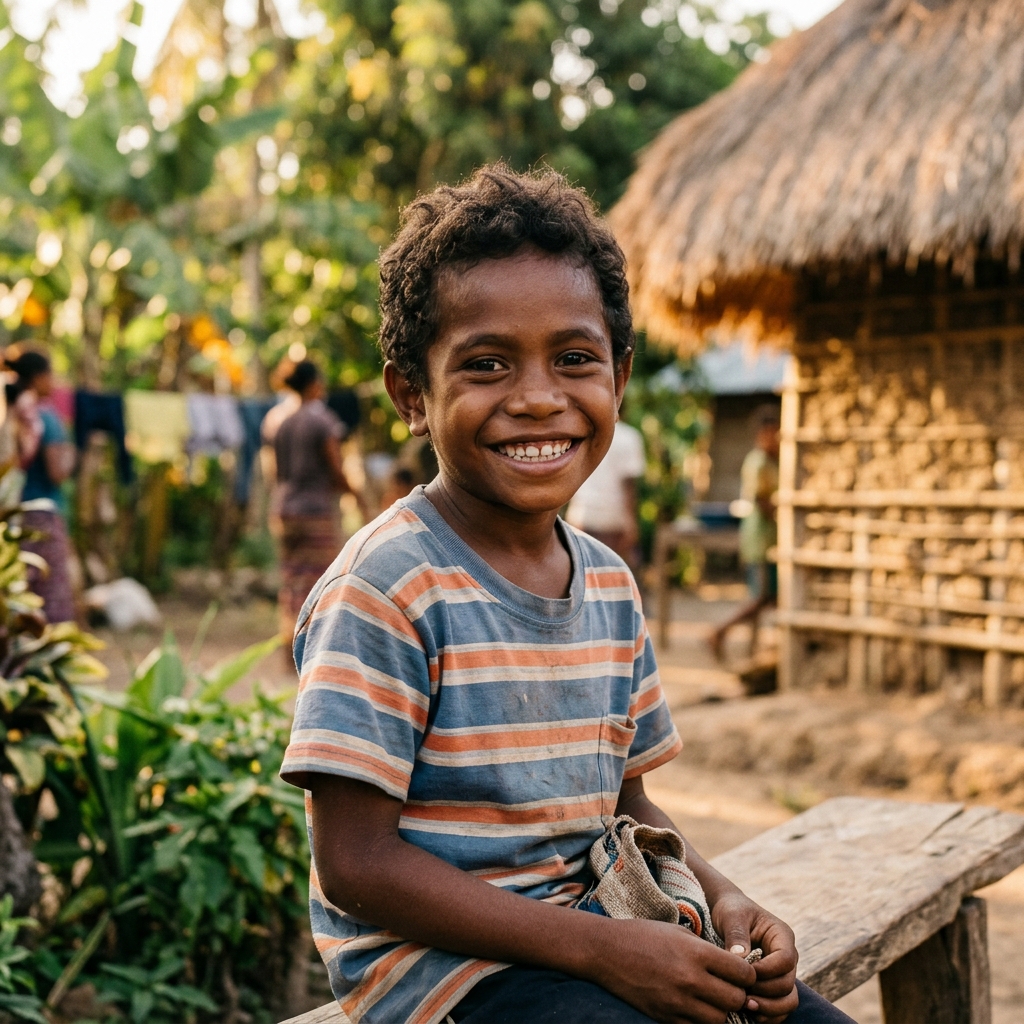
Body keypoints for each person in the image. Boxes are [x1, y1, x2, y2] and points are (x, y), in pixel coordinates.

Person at [280, 166, 853, 1024]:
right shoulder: (387, 588)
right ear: (412, 396)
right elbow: (356, 865)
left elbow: (625, 803)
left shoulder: (611, 584)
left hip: (600, 930)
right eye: (486, 364)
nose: (539, 397)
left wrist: (726, 898)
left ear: (618, 377)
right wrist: (602, 950)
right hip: (449, 978)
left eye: (574, 359)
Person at [263, 360, 355, 641]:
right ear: (315, 385)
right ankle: (313, 645)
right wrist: (357, 496)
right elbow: (336, 470)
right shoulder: (322, 421)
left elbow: (274, 472)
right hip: (314, 513)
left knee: (291, 580)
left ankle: (286, 645)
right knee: (318, 580)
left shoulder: (278, 421)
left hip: (283, 510)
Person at [6, 351, 77, 623]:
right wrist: (73, 457)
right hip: (43, 515)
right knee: (51, 594)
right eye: (50, 376)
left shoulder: (13, 411)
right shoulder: (45, 418)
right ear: (38, 378)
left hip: (12, 514)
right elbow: (57, 472)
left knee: (21, 593)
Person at [710, 407, 780, 661]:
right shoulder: (759, 462)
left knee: (769, 597)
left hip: (768, 539)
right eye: (772, 434)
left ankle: (754, 649)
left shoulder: (770, 461)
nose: (776, 439)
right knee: (760, 597)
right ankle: (720, 631)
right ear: (762, 434)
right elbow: (762, 501)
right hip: (760, 539)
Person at [566, 416, 645, 565]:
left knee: (582, 574)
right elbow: (629, 486)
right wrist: (631, 524)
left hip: (581, 515)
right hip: (613, 519)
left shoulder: (581, 432)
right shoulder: (629, 437)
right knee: (609, 574)